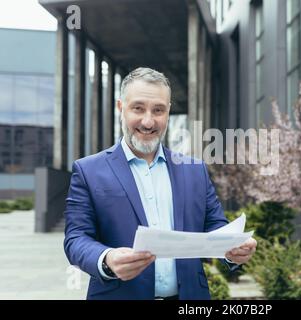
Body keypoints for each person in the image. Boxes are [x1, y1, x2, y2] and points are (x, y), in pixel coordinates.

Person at [64, 67, 257, 300]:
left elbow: (216, 228)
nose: (148, 121)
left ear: (168, 113)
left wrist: (234, 248)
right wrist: (107, 259)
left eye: (158, 110)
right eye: (138, 108)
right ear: (120, 108)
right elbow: (76, 238)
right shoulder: (88, 170)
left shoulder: (195, 170)